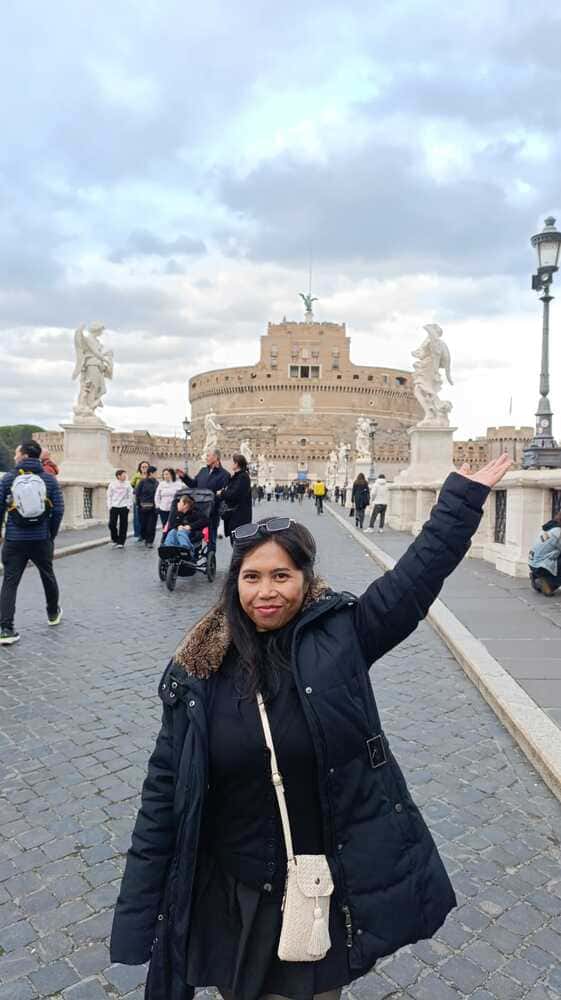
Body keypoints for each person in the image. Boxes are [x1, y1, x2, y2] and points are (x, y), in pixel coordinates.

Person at [110, 455, 512, 1000]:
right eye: (251, 577)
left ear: (306, 580)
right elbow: (163, 793)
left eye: (282, 576)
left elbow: (412, 583)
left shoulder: (344, 637)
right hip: (235, 892)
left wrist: (460, 501)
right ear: (234, 583)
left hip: (316, 885)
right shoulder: (196, 671)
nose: (266, 591)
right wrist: (138, 915)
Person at [0, 440, 64, 645]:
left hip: (14, 538)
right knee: (47, 574)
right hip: (41, 538)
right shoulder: (49, 479)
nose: (14, 456)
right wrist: (50, 535)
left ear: (25, 455)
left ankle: (6, 628)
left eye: (17, 453)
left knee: (10, 582)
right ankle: (53, 613)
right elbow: (59, 510)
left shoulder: (8, 478)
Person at [182, 449, 230, 547]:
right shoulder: (203, 471)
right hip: (197, 509)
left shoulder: (225, 474)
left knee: (212, 538)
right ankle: (194, 556)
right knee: (195, 535)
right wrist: (184, 477)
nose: (206, 458)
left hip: (212, 511)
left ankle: (210, 557)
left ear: (216, 458)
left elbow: (222, 494)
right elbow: (193, 484)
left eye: (208, 456)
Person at [218, 453, 253, 548]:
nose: (230, 463)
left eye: (231, 462)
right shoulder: (236, 477)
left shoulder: (243, 477)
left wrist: (222, 493)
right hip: (234, 517)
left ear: (236, 464)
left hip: (239, 519)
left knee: (239, 546)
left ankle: (239, 563)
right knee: (235, 545)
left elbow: (234, 494)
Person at [528, 511, 561, 595]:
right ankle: (549, 585)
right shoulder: (558, 532)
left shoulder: (550, 527)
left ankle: (537, 579)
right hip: (541, 565)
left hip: (533, 563)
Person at [106, 470, 133, 548]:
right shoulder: (112, 484)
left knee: (123, 525)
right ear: (118, 476)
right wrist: (109, 506)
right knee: (111, 524)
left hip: (124, 507)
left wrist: (129, 506)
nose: (125, 476)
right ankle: (115, 539)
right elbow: (109, 495)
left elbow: (130, 495)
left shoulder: (128, 484)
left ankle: (121, 542)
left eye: (125, 475)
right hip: (114, 506)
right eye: (124, 475)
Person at [136, 466, 159, 548]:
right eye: (156, 473)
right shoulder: (142, 482)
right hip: (143, 507)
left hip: (153, 508)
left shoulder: (157, 483)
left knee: (151, 525)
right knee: (143, 525)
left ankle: (150, 541)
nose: (157, 474)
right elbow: (137, 494)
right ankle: (145, 537)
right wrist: (139, 505)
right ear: (151, 473)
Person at [131, 461, 150, 542]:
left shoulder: (150, 476)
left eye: (146, 467)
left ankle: (147, 534)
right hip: (138, 498)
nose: (144, 468)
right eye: (143, 467)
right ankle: (139, 534)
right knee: (138, 517)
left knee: (148, 518)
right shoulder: (136, 475)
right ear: (140, 467)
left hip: (148, 499)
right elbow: (132, 484)